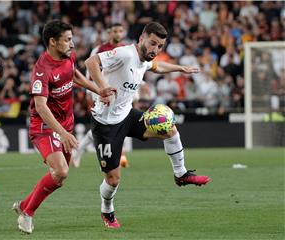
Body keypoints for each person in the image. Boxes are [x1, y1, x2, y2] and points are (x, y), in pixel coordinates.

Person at [85, 22, 211, 228]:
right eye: (152, 43)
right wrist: (103, 87)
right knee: (113, 180)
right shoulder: (125, 54)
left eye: (160, 46)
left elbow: (157, 66)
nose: (155, 50)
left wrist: (180, 68)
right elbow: (91, 62)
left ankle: (181, 174)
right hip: (105, 123)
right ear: (142, 39)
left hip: (127, 115)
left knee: (168, 127)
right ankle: (107, 210)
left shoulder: (145, 59)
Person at [11, 20, 116, 234]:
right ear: (52, 41)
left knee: (59, 179)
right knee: (60, 171)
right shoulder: (42, 70)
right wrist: (63, 133)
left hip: (65, 123)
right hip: (45, 126)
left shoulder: (68, 55)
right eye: (67, 40)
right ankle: (27, 215)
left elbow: (74, 74)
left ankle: (24, 205)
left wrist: (98, 90)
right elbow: (40, 107)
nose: (72, 44)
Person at [72, 23, 129, 168]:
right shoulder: (100, 49)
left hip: (121, 93)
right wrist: (89, 92)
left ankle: (115, 156)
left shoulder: (126, 49)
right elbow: (89, 71)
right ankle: (83, 152)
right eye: (115, 31)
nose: (118, 34)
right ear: (109, 33)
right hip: (102, 92)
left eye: (120, 31)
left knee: (116, 125)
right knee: (106, 126)